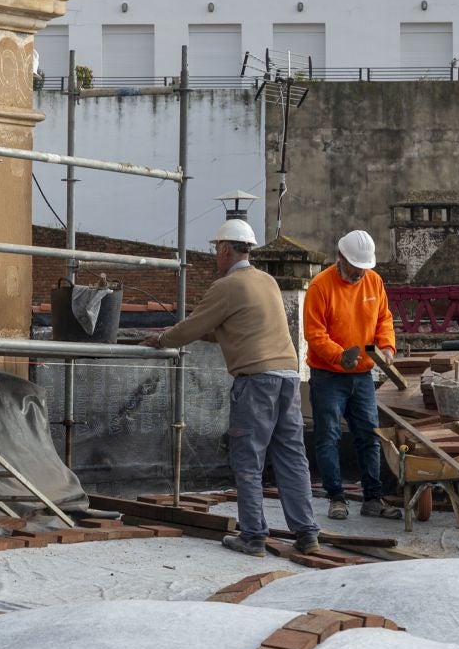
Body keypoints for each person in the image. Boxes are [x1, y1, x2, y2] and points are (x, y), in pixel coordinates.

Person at [143, 218, 320, 557]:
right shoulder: (266, 281)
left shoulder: (226, 287)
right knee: (292, 458)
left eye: (216, 250)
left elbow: (193, 326)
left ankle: (253, 537)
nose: (215, 256)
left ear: (225, 249)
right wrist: (203, 333)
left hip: (256, 382)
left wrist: (162, 339)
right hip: (287, 377)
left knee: (248, 459)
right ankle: (307, 533)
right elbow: (231, 327)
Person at [302, 228, 397, 519]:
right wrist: (339, 356)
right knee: (328, 436)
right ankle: (336, 497)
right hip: (328, 375)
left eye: (363, 269)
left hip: (362, 375)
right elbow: (315, 334)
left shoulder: (374, 281)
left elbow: (384, 319)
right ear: (340, 258)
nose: (359, 274)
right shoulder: (320, 286)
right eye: (355, 268)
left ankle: (373, 498)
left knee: (369, 435)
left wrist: (387, 346)